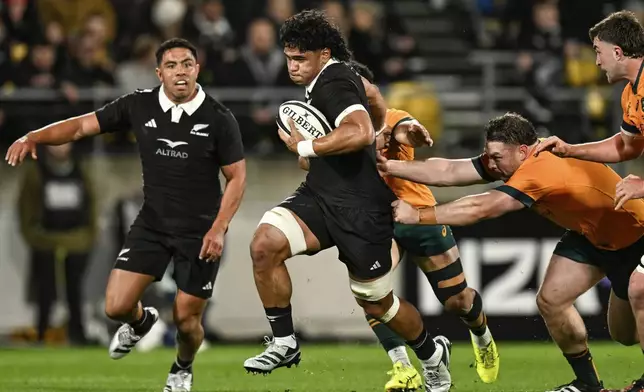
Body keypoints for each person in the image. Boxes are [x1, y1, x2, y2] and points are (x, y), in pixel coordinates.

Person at [5, 38, 246, 392]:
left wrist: (219, 228)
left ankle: (182, 366)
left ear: (196, 69)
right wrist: (34, 137)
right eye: (172, 65)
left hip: (200, 232)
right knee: (116, 306)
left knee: (186, 319)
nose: (180, 72)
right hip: (153, 225)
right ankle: (141, 322)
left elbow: (237, 177)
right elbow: (80, 126)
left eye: (187, 64)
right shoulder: (139, 105)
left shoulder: (219, 118)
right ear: (159, 72)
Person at [243, 10, 452, 392]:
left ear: (323, 53)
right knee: (264, 244)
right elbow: (373, 100)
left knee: (377, 304)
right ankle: (285, 341)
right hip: (320, 194)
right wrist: (381, 129)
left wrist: (308, 145)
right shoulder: (341, 76)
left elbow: (356, 133)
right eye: (288, 57)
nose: (291, 66)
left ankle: (430, 355)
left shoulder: (333, 81)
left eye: (299, 59)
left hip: (361, 208)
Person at [380, 112, 644, 392]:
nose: (491, 163)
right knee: (556, 303)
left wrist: (419, 215)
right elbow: (449, 171)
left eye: (496, 157)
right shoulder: (516, 159)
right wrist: (389, 166)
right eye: (488, 155)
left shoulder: (540, 167)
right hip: (591, 236)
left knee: (633, 310)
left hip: (637, 236)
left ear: (522, 151)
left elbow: (483, 207)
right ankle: (588, 385)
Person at [328, 61, 500, 390]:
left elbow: (406, 128)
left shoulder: (390, 117)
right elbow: (307, 160)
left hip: (417, 212)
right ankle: (403, 366)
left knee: (457, 301)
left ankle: (481, 335)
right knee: (371, 292)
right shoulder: (336, 127)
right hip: (374, 221)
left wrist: (412, 134)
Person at [532, 10, 644, 391]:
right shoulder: (632, 94)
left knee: (641, 289)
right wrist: (569, 149)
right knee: (623, 331)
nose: (594, 61)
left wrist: (643, 186)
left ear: (617, 51)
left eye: (597, 52)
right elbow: (624, 145)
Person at [18, 143, 97, 346]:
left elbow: (92, 204)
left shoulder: (81, 169)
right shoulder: (36, 171)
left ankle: (77, 334)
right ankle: (42, 333)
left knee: (74, 290)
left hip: (76, 241)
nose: (61, 148)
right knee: (45, 290)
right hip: (46, 241)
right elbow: (25, 207)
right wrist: (34, 236)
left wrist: (88, 236)